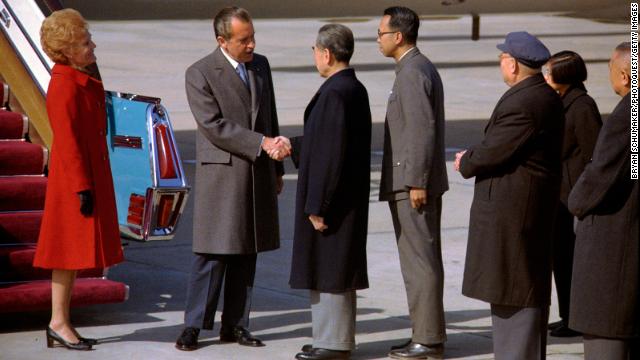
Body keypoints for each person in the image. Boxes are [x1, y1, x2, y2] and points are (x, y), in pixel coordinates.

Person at [174, 6, 290, 351]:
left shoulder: (261, 65)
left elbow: (270, 116)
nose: (251, 44)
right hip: (224, 173)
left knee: (247, 249)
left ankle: (236, 323)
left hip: (256, 170)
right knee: (213, 252)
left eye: (253, 37)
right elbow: (214, 126)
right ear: (222, 40)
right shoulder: (200, 73)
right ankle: (194, 325)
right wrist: (261, 144)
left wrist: (277, 167)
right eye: (244, 40)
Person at [454, 31, 564, 359]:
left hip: (515, 220)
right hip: (518, 217)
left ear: (513, 65)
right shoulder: (536, 95)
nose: (501, 62)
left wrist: (467, 160)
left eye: (503, 57)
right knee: (510, 296)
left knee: (516, 298)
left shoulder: (525, 102)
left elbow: (495, 150)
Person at [33, 8, 124, 351]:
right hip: (74, 182)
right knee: (65, 254)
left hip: (83, 177)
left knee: (70, 256)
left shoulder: (76, 80)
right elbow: (67, 142)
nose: (93, 47)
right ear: (68, 50)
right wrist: (82, 187)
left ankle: (61, 321)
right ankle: (58, 321)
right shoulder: (63, 86)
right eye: (86, 43)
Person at [284, 24, 372, 360]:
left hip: (334, 202)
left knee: (331, 270)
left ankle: (334, 344)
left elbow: (330, 155)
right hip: (344, 198)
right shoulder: (352, 88)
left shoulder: (335, 93)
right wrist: (292, 146)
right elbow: (325, 143)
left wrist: (317, 205)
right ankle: (330, 338)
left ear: (326, 53)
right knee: (331, 269)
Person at [376, 6, 449, 359]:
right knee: (419, 260)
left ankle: (429, 340)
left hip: (412, 185)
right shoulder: (414, 68)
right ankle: (425, 333)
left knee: (420, 261)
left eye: (381, 33)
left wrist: (416, 181)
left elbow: (422, 129)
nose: (378, 40)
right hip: (410, 181)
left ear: (398, 36)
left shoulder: (412, 73)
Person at [567, 42, 638, 360]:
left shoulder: (626, 117)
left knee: (605, 339)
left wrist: (576, 203)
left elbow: (602, 173)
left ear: (625, 75)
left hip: (613, 248)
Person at [542, 51, 602, 338]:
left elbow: (595, 156)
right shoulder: (563, 102)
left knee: (571, 261)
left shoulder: (582, 107)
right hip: (560, 197)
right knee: (561, 260)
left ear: (564, 76)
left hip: (573, 197)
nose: (545, 75)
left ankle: (576, 319)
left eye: (549, 71)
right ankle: (568, 314)